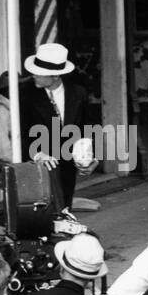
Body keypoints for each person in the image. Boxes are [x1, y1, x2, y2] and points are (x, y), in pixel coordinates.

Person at [20, 42, 90, 210]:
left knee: (64, 207)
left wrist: (89, 154)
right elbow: (20, 132)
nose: (33, 75)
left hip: (67, 164)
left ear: (56, 76)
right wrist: (37, 155)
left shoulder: (78, 93)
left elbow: (88, 126)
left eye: (39, 73)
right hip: (37, 165)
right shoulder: (25, 95)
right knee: (43, 212)